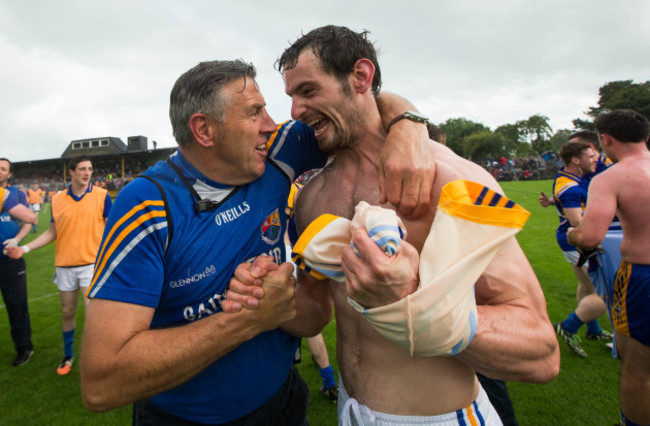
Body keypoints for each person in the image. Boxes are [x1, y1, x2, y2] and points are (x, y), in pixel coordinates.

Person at [228, 26, 559, 425]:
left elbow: (540, 350)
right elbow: (317, 311)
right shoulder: (312, 196)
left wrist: (412, 300)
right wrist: (273, 300)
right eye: (292, 97)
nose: (296, 111)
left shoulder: (450, 180)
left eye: (309, 91)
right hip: (350, 411)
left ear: (361, 77)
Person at [79, 59, 434, 424]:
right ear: (204, 130)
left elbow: (359, 107)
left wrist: (409, 125)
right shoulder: (148, 205)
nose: (270, 124)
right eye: (254, 113)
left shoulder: (277, 153)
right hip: (186, 418)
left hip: (283, 400)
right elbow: (102, 382)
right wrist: (247, 321)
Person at [566, 109, 650, 425]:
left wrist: (572, 233)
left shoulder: (612, 176)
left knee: (637, 366)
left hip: (643, 275)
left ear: (607, 140)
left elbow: (590, 236)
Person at [6, 156, 112, 375]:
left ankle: (97, 359)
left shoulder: (102, 196)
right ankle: (68, 354)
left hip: (92, 264)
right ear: (71, 172)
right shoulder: (57, 199)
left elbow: (112, 230)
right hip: (65, 265)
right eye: (82, 169)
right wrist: (24, 248)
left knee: (92, 310)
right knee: (67, 311)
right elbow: (51, 232)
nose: (87, 173)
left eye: (90, 169)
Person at [551, 140, 614, 357]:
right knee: (607, 292)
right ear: (576, 161)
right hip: (577, 242)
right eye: (590, 157)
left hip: (574, 241)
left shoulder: (576, 178)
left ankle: (593, 330)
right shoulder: (570, 187)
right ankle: (568, 327)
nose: (595, 159)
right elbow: (577, 222)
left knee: (588, 287)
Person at [0, 158, 37, 366]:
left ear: (9, 174)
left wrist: (17, 240)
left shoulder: (16, 194)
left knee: (16, 304)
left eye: (3, 169)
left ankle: (24, 347)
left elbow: (28, 220)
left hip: (10, 257)